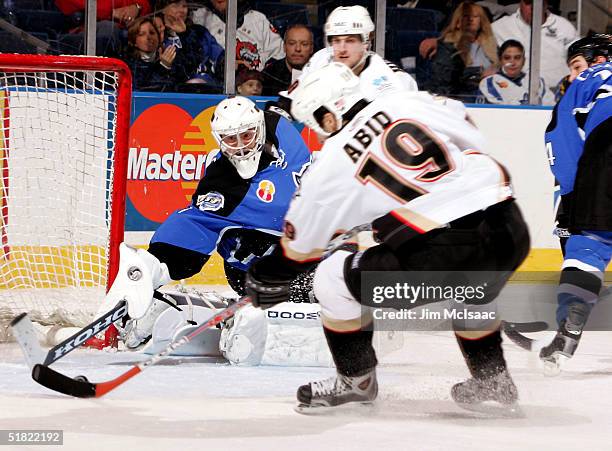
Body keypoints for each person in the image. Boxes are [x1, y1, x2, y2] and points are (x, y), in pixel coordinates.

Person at [245, 63, 530, 413]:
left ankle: (356, 380)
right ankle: (492, 381)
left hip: (444, 254)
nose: (316, 132)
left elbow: (299, 249)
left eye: (314, 123)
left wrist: (266, 276)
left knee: (332, 276)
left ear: (328, 116)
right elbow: (470, 136)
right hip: (508, 226)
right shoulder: (407, 101)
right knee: (472, 289)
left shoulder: (331, 161)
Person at [97, 96, 313, 351]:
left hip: (312, 253)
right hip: (258, 270)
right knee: (314, 294)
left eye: (247, 135)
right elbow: (195, 225)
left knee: (347, 281)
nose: (242, 146)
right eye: (231, 140)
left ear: (260, 128)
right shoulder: (222, 188)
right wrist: (155, 265)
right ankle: (175, 308)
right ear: (219, 141)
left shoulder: (279, 127)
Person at [539, 34, 611, 374]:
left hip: (604, 157)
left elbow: (560, 137)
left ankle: (572, 320)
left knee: (588, 248)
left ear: (597, 60)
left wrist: (573, 194)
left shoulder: (585, 81)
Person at [273, 5, 418, 118]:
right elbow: (288, 103)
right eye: (336, 41)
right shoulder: (321, 59)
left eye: (350, 41)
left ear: (366, 42)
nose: (341, 49)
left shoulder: (395, 80)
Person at [420, 0, 578, 96]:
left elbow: (578, 58)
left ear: (545, 4)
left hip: (558, 94)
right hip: (515, 96)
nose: (532, 8)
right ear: (521, 3)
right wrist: (439, 41)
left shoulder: (564, 26)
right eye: (527, 3)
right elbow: (470, 32)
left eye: (536, 3)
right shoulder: (502, 26)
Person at [425, 1, 498, 101]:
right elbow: (444, 80)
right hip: (461, 99)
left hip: (489, 98)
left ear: (481, 22)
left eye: (475, 16)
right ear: (458, 22)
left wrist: (497, 69)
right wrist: (478, 74)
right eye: (465, 16)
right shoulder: (448, 46)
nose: (470, 19)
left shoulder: (491, 44)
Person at [191, 0, 285, 71]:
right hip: (219, 89)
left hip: (256, 88)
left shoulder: (257, 19)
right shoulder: (200, 18)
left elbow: (279, 55)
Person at [159, 0, 225, 87]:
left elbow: (219, 57)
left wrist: (228, 63)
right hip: (177, 93)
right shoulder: (157, 35)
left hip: (209, 89)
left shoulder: (200, 32)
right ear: (163, 9)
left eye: (184, 6)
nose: (181, 10)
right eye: (175, 5)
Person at [479, 39, 554, 105]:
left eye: (517, 58)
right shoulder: (488, 83)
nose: (512, 62)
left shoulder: (537, 81)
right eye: (507, 58)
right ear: (500, 60)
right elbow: (496, 110)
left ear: (524, 61)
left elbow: (551, 105)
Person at [124, 17, 176, 91]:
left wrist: (184, 34)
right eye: (142, 34)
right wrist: (163, 67)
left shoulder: (169, 57)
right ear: (134, 42)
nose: (148, 37)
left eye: (152, 33)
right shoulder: (130, 64)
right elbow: (145, 90)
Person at [262, 24, 314, 96]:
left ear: (311, 48)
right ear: (284, 47)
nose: (298, 49)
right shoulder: (269, 75)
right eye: (292, 43)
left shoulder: (320, 73)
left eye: (304, 44)